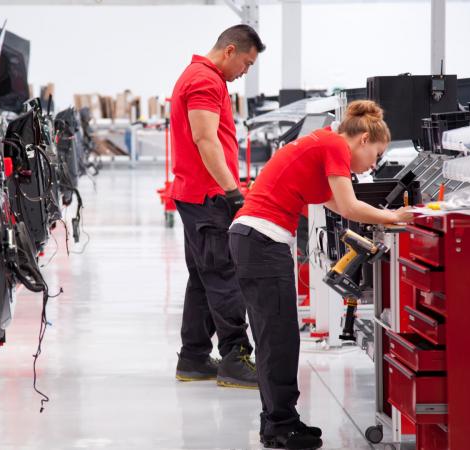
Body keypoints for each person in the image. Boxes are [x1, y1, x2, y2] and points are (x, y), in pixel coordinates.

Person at [228, 100, 414, 450]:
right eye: (376, 155)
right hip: (260, 240)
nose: (373, 164)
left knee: (278, 338)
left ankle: (280, 421)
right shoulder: (333, 146)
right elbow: (348, 206)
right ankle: (280, 427)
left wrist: (380, 214)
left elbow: (334, 201)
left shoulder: (322, 142)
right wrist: (398, 218)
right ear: (362, 140)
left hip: (256, 240)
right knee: (278, 340)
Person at [170, 24, 265, 389]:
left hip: (196, 194)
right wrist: (233, 192)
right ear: (230, 51)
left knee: (203, 277)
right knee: (225, 276)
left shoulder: (201, 77)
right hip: (208, 196)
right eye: (247, 63)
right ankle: (235, 358)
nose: (245, 71)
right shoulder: (205, 81)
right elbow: (205, 139)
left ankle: (193, 357)